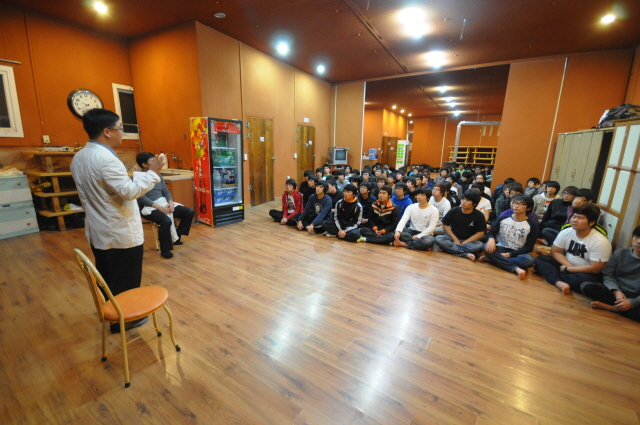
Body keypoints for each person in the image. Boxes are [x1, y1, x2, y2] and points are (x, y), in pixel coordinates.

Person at [71, 108, 163, 333]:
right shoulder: (106, 159)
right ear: (107, 131)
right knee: (125, 279)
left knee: (108, 276)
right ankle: (125, 321)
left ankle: (111, 314)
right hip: (119, 233)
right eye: (120, 128)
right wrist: (153, 173)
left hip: (99, 230)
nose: (122, 133)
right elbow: (129, 192)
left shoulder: (79, 157)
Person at [534, 203, 611, 295]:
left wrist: (569, 270)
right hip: (566, 265)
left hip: (585, 272)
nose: (575, 220)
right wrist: (568, 266)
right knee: (540, 259)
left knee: (586, 281)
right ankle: (559, 282)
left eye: (580, 218)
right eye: (574, 217)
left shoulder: (600, 241)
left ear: (591, 222)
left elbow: (595, 268)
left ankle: (553, 276)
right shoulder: (567, 231)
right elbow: (555, 251)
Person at [136, 152, 195, 258]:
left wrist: (170, 203)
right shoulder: (138, 178)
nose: (156, 163)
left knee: (188, 212)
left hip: (163, 203)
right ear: (144, 165)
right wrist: (159, 208)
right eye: (153, 161)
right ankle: (165, 249)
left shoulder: (158, 176)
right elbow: (141, 198)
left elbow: (166, 192)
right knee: (166, 221)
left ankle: (176, 235)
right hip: (148, 207)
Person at [582, 225, 640, 322]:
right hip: (616, 292)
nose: (638, 241)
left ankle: (611, 308)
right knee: (586, 286)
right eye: (636, 237)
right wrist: (616, 291)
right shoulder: (620, 253)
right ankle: (621, 308)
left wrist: (632, 303)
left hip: (636, 298)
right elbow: (608, 274)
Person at [479, 194, 538, 280]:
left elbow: (528, 247)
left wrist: (509, 254)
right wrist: (491, 239)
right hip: (501, 248)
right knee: (485, 246)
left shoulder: (533, 225)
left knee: (529, 261)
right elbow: (491, 233)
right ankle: (515, 268)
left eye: (520, 204)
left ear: (528, 208)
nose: (516, 206)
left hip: (518, 252)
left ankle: (493, 259)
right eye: (515, 203)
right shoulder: (503, 218)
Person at [435, 190, 487, 261]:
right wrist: (455, 240)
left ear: (474, 204)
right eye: (463, 199)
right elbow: (445, 225)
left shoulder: (479, 215)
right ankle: (465, 254)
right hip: (453, 238)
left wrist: (464, 243)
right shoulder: (454, 210)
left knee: (479, 245)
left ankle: (448, 249)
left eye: (467, 200)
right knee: (438, 238)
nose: (463, 202)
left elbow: (480, 233)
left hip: (468, 241)